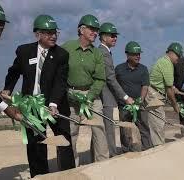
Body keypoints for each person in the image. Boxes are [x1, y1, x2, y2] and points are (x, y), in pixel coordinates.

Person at [2, 15, 75, 177]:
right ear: (38, 34)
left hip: (55, 105)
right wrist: (7, 89)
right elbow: (14, 72)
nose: (53, 36)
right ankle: (40, 175)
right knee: (35, 144)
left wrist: (54, 104)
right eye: (48, 33)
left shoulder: (61, 55)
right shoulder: (24, 51)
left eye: (55, 32)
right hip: (31, 106)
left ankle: (69, 174)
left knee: (64, 141)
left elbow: (60, 82)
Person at [62, 14, 109, 166]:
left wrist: (89, 96)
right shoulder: (66, 48)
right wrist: (68, 93)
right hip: (70, 96)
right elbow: (58, 74)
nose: (95, 33)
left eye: (97, 30)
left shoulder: (97, 53)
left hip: (92, 96)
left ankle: (104, 165)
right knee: (71, 133)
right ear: (81, 29)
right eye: (92, 29)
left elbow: (100, 78)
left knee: (99, 131)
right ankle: (70, 168)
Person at [98, 22, 134, 157]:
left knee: (106, 127)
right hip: (106, 96)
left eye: (116, 36)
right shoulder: (103, 53)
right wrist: (125, 97)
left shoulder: (106, 52)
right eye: (112, 36)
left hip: (106, 95)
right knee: (108, 127)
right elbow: (110, 79)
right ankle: (111, 155)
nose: (115, 38)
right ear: (103, 37)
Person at [115, 41, 153, 151]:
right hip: (124, 106)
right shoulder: (119, 69)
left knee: (144, 128)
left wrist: (140, 99)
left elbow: (145, 86)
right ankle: (127, 151)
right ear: (127, 55)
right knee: (125, 130)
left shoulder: (143, 69)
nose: (138, 56)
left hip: (139, 105)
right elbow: (115, 86)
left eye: (139, 54)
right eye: (135, 54)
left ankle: (148, 150)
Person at [147, 42, 183, 146]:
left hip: (155, 93)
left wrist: (173, 87)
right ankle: (158, 149)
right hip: (154, 96)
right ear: (171, 53)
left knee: (158, 124)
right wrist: (175, 105)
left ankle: (158, 146)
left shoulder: (164, 61)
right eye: (178, 55)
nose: (179, 58)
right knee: (158, 126)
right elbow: (169, 90)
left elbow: (169, 86)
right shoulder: (167, 64)